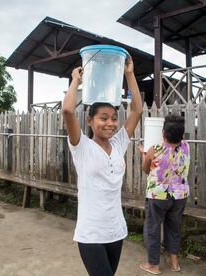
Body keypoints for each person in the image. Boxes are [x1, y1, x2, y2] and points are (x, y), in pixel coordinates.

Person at [62, 56, 142, 276]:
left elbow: (136, 110)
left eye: (114, 118)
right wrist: (75, 81)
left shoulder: (119, 144)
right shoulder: (82, 146)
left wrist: (129, 74)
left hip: (115, 230)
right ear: (90, 121)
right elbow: (68, 111)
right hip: (91, 234)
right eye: (103, 118)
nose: (111, 123)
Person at [139, 114, 190, 274]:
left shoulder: (155, 149)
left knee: (153, 228)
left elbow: (146, 169)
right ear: (182, 135)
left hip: (158, 196)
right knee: (174, 227)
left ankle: (153, 265)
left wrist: (144, 153)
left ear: (163, 133)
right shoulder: (186, 147)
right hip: (180, 196)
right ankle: (174, 262)